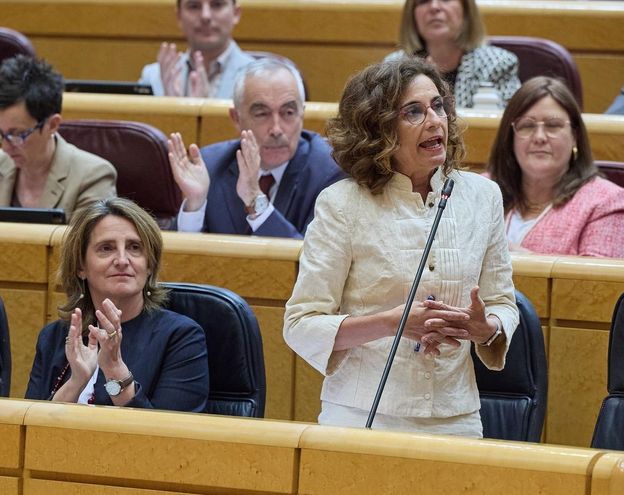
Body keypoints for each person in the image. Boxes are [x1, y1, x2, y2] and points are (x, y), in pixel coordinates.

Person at [283, 58, 518, 437]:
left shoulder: (483, 197)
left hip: (455, 418)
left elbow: (502, 303)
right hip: (363, 416)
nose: (434, 120)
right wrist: (394, 323)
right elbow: (300, 325)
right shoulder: (341, 204)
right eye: (413, 111)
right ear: (378, 128)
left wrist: (485, 327)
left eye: (438, 106)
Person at [25, 197, 209, 411]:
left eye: (134, 247)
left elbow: (165, 439)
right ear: (80, 266)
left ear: (149, 265)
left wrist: (114, 371)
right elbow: (32, 428)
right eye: (106, 248)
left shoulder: (181, 338)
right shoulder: (55, 337)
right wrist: (76, 383)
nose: (122, 260)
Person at [167, 58, 344, 238]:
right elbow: (177, 262)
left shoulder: (330, 173)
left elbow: (312, 261)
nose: (276, 129)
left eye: (288, 113)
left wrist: (255, 199)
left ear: (302, 114)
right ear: (236, 118)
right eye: (262, 114)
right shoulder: (210, 166)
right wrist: (194, 205)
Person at [0, 55, 117, 220]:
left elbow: (84, 245)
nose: (5, 148)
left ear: (52, 125)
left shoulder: (92, 177)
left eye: (17, 134)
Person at [487, 77, 624, 258]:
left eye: (553, 126)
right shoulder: (482, 189)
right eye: (527, 126)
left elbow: (593, 285)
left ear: (575, 136)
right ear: (510, 137)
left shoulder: (605, 202)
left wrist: (510, 255)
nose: (540, 137)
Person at [385, 0, 520, 108]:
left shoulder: (498, 64)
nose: (434, 7)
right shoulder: (394, 67)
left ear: (466, 11)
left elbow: (510, 126)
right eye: (424, 1)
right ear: (412, 15)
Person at [138, 0, 254, 98]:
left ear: (236, 14)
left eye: (217, 5)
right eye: (194, 6)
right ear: (179, 16)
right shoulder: (153, 77)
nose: (205, 16)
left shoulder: (260, 78)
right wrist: (171, 109)